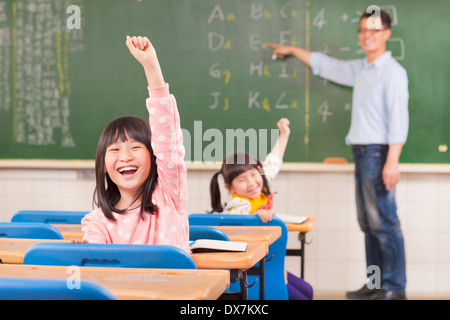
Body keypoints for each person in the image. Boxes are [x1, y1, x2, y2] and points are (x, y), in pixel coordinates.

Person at [268, 10, 408, 300]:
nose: (367, 35)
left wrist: (392, 160)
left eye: (374, 29)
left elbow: (399, 119)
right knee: (368, 224)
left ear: (386, 33)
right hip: (362, 153)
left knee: (384, 222)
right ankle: (374, 284)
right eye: (362, 30)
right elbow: (326, 65)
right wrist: (293, 50)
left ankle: (394, 287)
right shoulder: (362, 68)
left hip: (379, 153)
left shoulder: (392, 72)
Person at [80, 36, 189, 253]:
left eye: (136, 147)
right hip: (122, 289)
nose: (126, 156)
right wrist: (85, 254)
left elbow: (168, 138)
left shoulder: (168, 196)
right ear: (103, 164)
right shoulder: (96, 222)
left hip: (172, 288)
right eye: (115, 149)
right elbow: (98, 266)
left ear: (154, 156)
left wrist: (150, 64)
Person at [210, 118, 314, 300]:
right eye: (241, 180)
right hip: (251, 271)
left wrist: (284, 134)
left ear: (259, 171)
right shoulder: (239, 205)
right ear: (230, 188)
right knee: (303, 297)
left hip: (269, 266)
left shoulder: (261, 184)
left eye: (253, 174)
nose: (251, 183)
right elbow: (237, 228)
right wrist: (255, 218)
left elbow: (274, 161)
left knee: (308, 290)